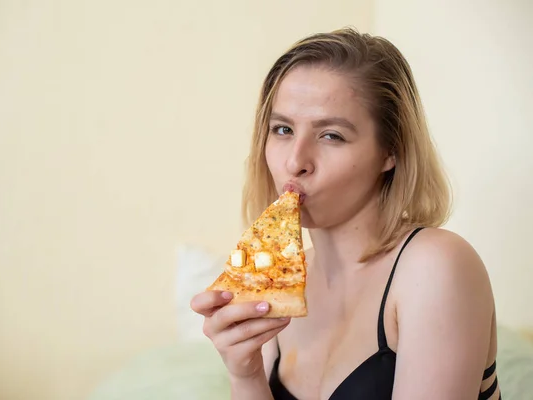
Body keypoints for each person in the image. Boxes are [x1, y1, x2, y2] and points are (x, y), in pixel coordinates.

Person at [190, 27, 500, 400]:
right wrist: (245, 374)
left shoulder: (435, 265)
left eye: (331, 135)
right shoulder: (280, 287)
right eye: (283, 129)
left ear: (391, 151)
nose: (295, 161)